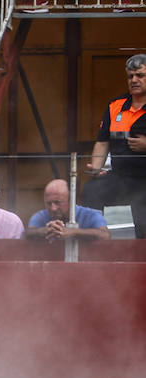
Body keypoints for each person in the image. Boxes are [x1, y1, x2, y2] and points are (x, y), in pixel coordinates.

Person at [82, 53, 146, 239]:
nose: (134, 80)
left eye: (140, 75)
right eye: (130, 76)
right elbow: (102, 142)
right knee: (92, 190)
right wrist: (95, 167)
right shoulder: (115, 106)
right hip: (122, 177)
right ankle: (92, 240)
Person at [24, 178, 111, 243]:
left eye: (57, 202)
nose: (53, 208)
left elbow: (105, 235)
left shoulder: (90, 215)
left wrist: (73, 232)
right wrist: (45, 230)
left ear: (72, 201)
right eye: (48, 203)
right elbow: (26, 233)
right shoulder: (40, 216)